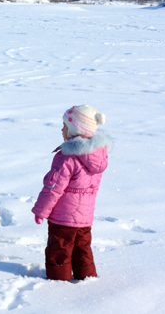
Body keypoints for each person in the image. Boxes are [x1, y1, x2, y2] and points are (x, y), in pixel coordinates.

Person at [32, 105, 113, 281]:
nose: (62, 130)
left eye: (64, 126)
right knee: (82, 250)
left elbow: (53, 188)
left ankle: (57, 284)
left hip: (63, 219)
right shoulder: (98, 156)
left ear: (75, 130)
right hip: (85, 218)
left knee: (59, 251)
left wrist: (41, 210)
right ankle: (88, 279)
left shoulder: (66, 157)